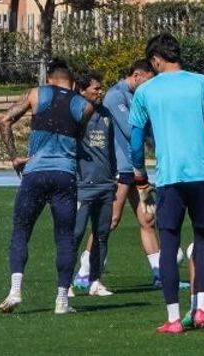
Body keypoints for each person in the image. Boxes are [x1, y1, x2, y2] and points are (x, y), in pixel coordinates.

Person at [130, 33, 204, 334]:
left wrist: (141, 182)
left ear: (155, 60)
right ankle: (202, 309)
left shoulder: (145, 91)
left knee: (169, 243)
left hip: (169, 178)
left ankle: (174, 318)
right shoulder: (203, 83)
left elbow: (136, 144)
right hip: (202, 174)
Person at [0, 59, 103, 316]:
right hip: (64, 175)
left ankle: (15, 290)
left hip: (35, 172)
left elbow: (4, 120)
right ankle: (61, 300)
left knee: (21, 231)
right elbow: (78, 138)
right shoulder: (85, 106)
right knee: (65, 238)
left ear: (49, 79)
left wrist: (14, 157)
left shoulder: (36, 93)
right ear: (73, 83)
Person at [104, 59, 164, 287]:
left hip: (136, 168)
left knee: (148, 219)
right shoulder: (115, 96)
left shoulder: (137, 96)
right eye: (148, 80)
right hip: (121, 168)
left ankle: (160, 275)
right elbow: (131, 130)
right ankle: (85, 271)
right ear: (137, 75)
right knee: (111, 220)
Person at [72, 71, 116, 297]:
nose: (100, 92)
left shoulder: (106, 114)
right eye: (96, 88)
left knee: (102, 234)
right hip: (82, 185)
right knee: (75, 234)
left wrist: (113, 175)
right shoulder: (75, 113)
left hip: (105, 184)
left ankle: (95, 281)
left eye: (101, 88)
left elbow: (110, 148)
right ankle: (65, 284)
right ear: (82, 90)